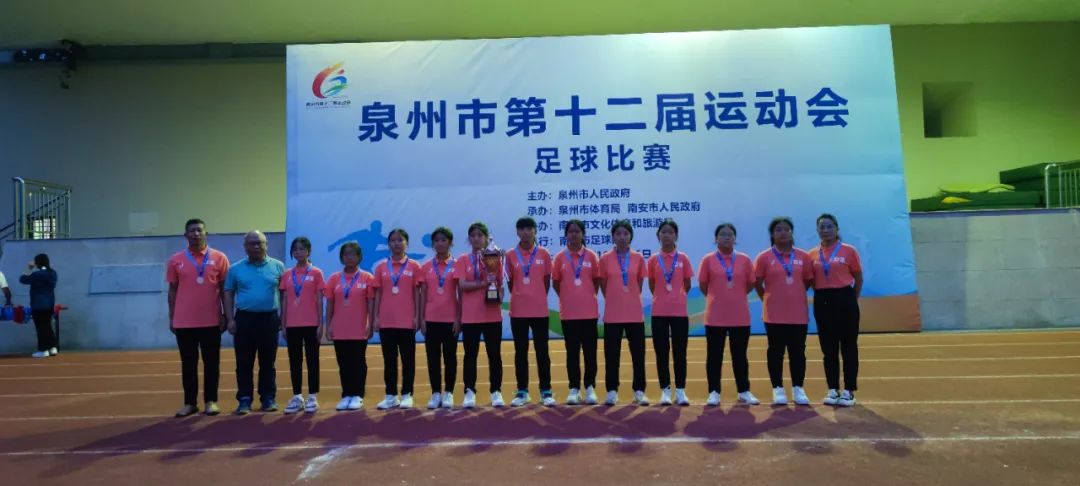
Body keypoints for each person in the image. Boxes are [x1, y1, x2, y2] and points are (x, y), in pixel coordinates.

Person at [166, 218, 230, 417]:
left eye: (199, 230)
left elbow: (225, 289)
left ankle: (211, 401)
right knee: (188, 364)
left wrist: (225, 315)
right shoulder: (176, 260)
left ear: (206, 234)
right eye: (192, 231)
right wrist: (172, 316)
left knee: (212, 363)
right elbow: (172, 290)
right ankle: (190, 403)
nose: (196, 234)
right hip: (184, 322)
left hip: (211, 321)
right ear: (185, 235)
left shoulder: (219, 258)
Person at [224, 230, 286, 415]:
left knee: (268, 362)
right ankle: (244, 399)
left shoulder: (278, 266)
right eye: (252, 243)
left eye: (260, 242)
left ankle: (268, 397)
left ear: (266, 245)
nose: (256, 246)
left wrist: (283, 317)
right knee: (244, 362)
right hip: (244, 320)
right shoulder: (235, 269)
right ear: (245, 247)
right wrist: (230, 319)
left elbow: (284, 295)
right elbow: (228, 294)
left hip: (269, 319)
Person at [754, 217, 814, 406]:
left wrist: (794, 293)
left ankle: (798, 388)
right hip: (773, 314)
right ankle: (778, 388)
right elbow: (757, 283)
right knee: (775, 351)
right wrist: (768, 298)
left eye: (786, 229)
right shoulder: (764, 257)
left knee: (798, 352)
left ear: (791, 232)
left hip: (798, 313)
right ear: (772, 234)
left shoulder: (803, 256)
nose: (782, 233)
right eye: (778, 230)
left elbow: (808, 281)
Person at [698, 223, 760, 407]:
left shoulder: (744, 259)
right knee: (714, 356)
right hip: (715, 315)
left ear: (735, 238)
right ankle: (714, 392)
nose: (726, 237)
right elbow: (703, 285)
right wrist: (718, 297)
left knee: (740, 355)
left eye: (730, 234)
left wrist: (735, 296)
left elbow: (750, 284)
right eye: (722, 234)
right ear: (716, 238)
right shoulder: (708, 260)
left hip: (739, 315)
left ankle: (744, 391)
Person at [809, 214, 863, 407]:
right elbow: (812, 280)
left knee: (848, 346)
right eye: (822, 227)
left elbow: (858, 277)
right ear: (817, 230)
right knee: (828, 348)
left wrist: (851, 298)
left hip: (845, 299)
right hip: (822, 301)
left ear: (837, 229)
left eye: (829, 226)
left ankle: (849, 390)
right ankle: (832, 388)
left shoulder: (849, 251)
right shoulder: (812, 254)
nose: (825, 230)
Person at [454, 222, 505, 408]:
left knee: (494, 355)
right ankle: (469, 391)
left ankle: (496, 391)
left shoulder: (495, 257)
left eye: (480, 235)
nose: (476, 239)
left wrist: (498, 295)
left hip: (492, 315)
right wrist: (484, 283)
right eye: (473, 235)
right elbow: (462, 286)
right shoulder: (462, 260)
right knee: (470, 355)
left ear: (486, 238)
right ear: (469, 239)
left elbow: (501, 285)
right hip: (471, 317)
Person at [505, 217, 555, 407]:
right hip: (518, 311)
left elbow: (547, 281)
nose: (526, 232)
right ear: (517, 232)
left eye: (529, 229)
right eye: (522, 229)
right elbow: (510, 282)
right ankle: (522, 391)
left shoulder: (544, 253)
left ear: (535, 231)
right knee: (521, 352)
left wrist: (536, 296)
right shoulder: (510, 255)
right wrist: (522, 295)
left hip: (540, 311)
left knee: (542, 351)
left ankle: (546, 390)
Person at [598, 220, 649, 406]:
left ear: (630, 236)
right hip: (613, 314)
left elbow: (639, 284)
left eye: (625, 234)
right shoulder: (605, 259)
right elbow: (604, 285)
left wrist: (628, 297)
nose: (622, 237)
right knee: (612, 355)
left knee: (638, 355)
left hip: (634, 314)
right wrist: (616, 298)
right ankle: (612, 391)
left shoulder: (638, 258)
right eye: (618, 234)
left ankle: (639, 391)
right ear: (613, 236)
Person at [372, 228, 423, 410]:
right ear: (389, 244)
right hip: (386, 321)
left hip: (407, 321)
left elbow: (417, 293)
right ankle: (391, 395)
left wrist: (417, 316)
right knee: (389, 360)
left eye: (400, 240)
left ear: (406, 243)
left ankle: (407, 394)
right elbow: (378, 294)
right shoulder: (381, 267)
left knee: (408, 360)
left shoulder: (414, 266)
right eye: (393, 240)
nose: (396, 243)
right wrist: (376, 317)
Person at [552, 219, 601, 406]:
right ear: (566, 235)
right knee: (572, 352)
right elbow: (556, 283)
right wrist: (568, 297)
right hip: (569, 314)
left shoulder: (591, 256)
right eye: (570, 231)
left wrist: (585, 297)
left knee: (590, 352)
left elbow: (596, 281)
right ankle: (574, 388)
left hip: (589, 313)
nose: (574, 234)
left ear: (583, 234)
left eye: (577, 231)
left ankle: (590, 387)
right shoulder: (560, 258)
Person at [646, 218, 694, 406]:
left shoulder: (683, 258)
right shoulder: (653, 260)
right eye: (663, 232)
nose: (667, 235)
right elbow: (652, 284)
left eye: (670, 232)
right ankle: (665, 390)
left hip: (679, 312)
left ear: (676, 236)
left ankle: (680, 390)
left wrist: (676, 297)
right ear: (658, 235)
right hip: (659, 312)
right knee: (662, 352)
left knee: (680, 352)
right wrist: (663, 297)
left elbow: (687, 284)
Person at [324, 241, 375, 411]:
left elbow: (371, 304)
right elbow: (330, 304)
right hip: (340, 328)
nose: (349, 257)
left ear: (359, 257)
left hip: (359, 327)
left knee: (358, 362)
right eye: (346, 254)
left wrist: (370, 323)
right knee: (343, 362)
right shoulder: (334, 278)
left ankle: (358, 395)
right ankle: (346, 394)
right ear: (341, 257)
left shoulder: (367, 277)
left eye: (353, 254)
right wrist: (328, 326)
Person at [278, 236, 326, 414]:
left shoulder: (316, 273)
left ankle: (312, 396)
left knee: (312, 360)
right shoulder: (287, 274)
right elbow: (284, 300)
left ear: (309, 251)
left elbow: (320, 300)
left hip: (312, 323)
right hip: (292, 324)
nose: (299, 252)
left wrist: (321, 324)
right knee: (294, 360)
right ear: (292, 253)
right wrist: (283, 323)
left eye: (302, 249)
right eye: (295, 249)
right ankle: (297, 395)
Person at [419, 227, 460, 409]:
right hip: (431, 319)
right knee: (433, 358)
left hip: (451, 320)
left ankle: (449, 392)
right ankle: (435, 393)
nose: (440, 243)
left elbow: (461, 294)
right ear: (433, 244)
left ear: (450, 243)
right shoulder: (426, 267)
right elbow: (423, 294)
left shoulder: (457, 265)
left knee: (450, 357)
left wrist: (459, 319)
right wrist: (422, 318)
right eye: (436, 240)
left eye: (443, 240)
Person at [20, 254, 58, 359]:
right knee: (48, 326)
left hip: (38, 305)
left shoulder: (37, 274)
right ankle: (52, 347)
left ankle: (43, 350)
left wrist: (29, 268)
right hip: (49, 303)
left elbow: (23, 279)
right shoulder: (53, 273)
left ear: (37, 262)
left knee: (41, 328)